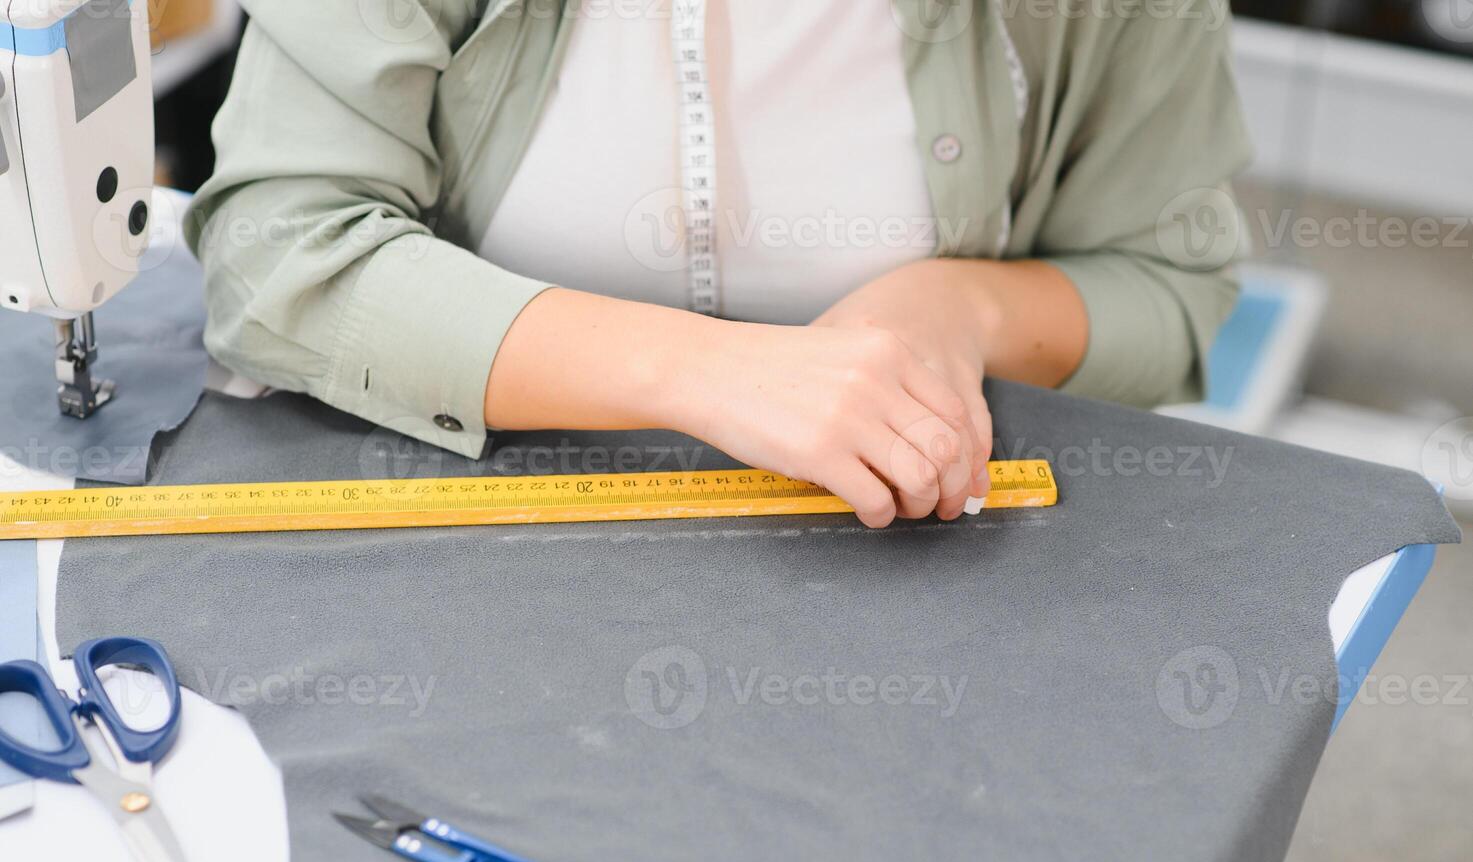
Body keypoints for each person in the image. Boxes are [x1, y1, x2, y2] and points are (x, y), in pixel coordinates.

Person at [187, 0, 1251, 528]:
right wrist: (708, 371)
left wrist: (960, 305)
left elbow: (1167, 284)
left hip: (906, 595)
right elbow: (276, 247)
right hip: (467, 539)